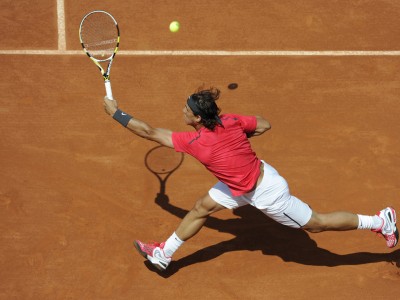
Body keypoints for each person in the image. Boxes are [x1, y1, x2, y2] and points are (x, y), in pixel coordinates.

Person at [103, 87, 398, 272]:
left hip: (267, 193)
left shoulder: (195, 142)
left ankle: (379, 221)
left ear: (196, 119)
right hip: (241, 182)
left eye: (186, 109)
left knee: (317, 224)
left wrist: (116, 113)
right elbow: (265, 124)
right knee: (201, 208)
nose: (182, 110)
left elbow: (149, 131)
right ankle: (164, 255)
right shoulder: (230, 120)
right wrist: (240, 132)